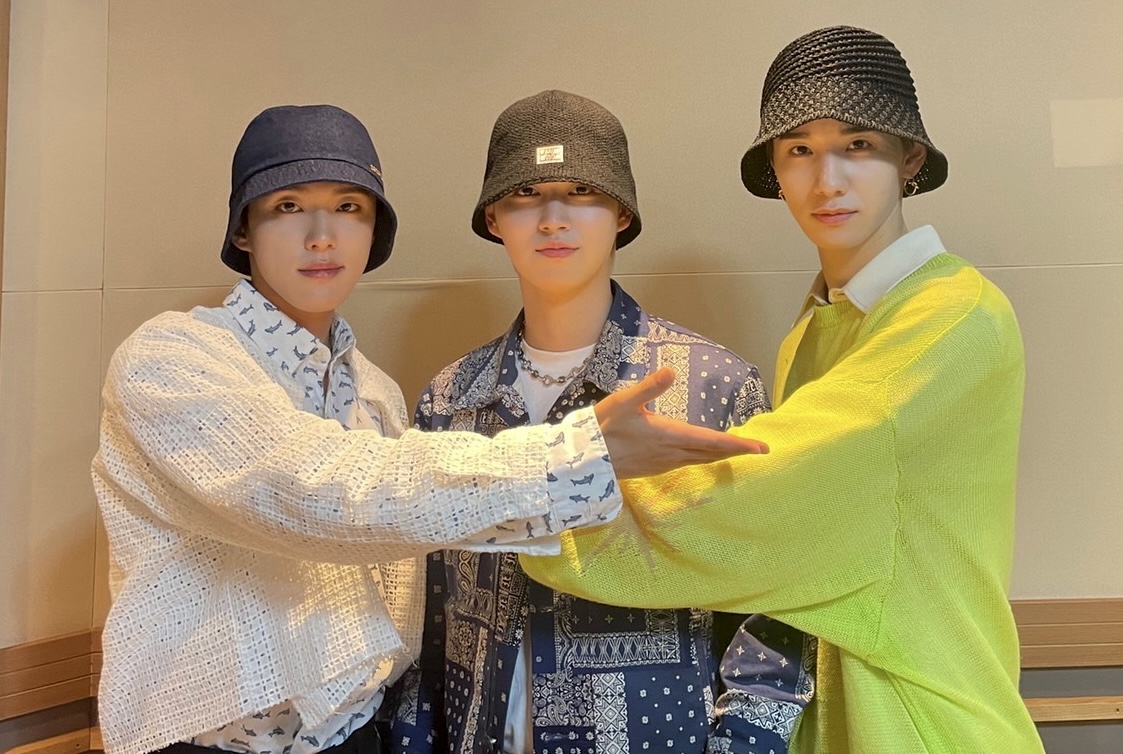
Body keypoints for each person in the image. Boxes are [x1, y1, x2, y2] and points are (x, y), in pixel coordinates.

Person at [90, 104, 765, 754]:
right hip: (217, 742)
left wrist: (748, 740)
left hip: (627, 729)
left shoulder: (376, 397)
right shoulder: (176, 360)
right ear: (243, 229)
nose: (321, 235)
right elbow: (322, 495)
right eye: (288, 206)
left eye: (349, 207)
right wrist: (577, 459)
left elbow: (770, 588)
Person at [522, 27, 1045, 752]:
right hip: (841, 710)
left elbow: (759, 497)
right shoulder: (820, 323)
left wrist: (535, 494)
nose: (826, 180)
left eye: (857, 144)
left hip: (921, 718)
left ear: (910, 159)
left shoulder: (952, 318)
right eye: (798, 149)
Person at [389, 90, 810, 754]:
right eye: (525, 194)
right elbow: (427, 615)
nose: (552, 219)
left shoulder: (713, 387)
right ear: (494, 217)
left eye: (581, 191)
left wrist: (745, 742)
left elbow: (779, 596)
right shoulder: (451, 400)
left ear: (621, 213)